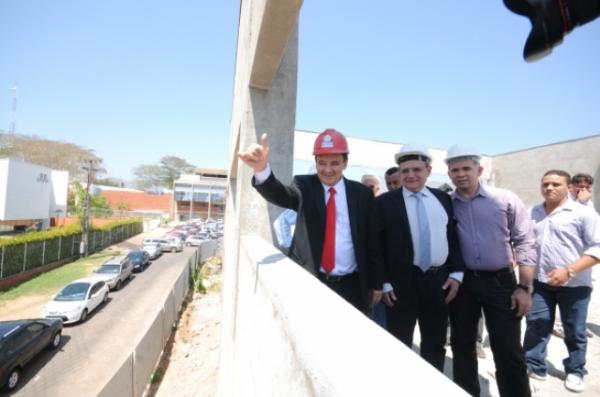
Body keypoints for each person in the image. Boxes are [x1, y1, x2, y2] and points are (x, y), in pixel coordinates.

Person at [238, 129, 383, 313]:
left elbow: (372, 242)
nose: (328, 170)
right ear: (315, 162)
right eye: (322, 163)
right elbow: (282, 195)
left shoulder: (361, 194)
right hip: (313, 281)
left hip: (352, 285)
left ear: (345, 163)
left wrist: (377, 283)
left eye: (334, 163)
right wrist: (261, 170)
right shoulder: (305, 186)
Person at [445, 143, 537, 397]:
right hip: (463, 285)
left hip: (501, 282)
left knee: (508, 349)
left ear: (480, 169)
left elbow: (526, 242)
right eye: (454, 170)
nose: (460, 174)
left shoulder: (505, 199)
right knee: (462, 346)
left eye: (466, 168)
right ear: (449, 174)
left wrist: (524, 287)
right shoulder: (447, 204)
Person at [375, 143, 464, 372]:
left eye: (416, 169)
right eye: (405, 171)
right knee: (398, 343)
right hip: (401, 283)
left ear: (428, 171)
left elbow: (451, 237)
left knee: (435, 343)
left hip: (438, 281)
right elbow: (377, 246)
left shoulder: (443, 199)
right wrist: (383, 282)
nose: (411, 175)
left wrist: (456, 272)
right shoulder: (385, 203)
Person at [523, 170, 600, 393]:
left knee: (574, 329)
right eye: (545, 184)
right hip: (541, 283)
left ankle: (576, 370)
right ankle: (535, 365)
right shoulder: (534, 212)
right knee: (537, 324)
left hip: (575, 286)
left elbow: (597, 247)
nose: (549, 188)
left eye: (556, 184)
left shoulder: (583, 213)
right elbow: (527, 242)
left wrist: (569, 271)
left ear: (568, 187)